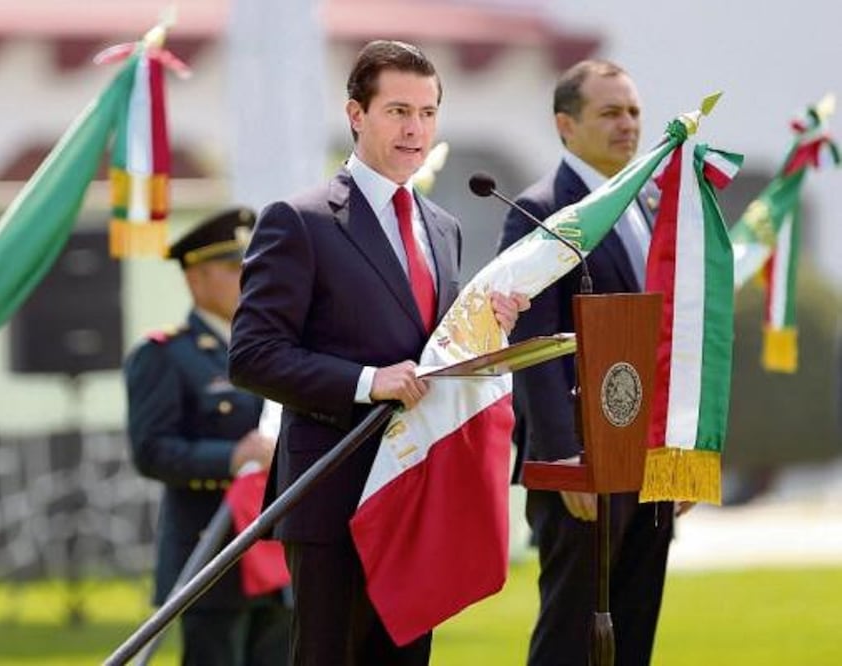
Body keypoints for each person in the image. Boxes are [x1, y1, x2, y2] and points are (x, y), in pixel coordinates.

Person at [229, 40, 528, 666]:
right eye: (397, 110)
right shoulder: (298, 220)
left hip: (418, 492)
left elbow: (433, 351)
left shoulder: (441, 226)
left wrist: (486, 330)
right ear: (356, 115)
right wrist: (369, 381)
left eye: (427, 112)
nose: (415, 128)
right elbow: (253, 355)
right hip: (333, 492)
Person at [497, 59, 688, 666]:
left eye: (633, 111)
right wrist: (560, 454)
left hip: (649, 459)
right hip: (580, 462)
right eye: (610, 112)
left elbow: (668, 336)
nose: (628, 124)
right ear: (566, 125)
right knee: (571, 633)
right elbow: (533, 341)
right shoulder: (543, 210)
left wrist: (680, 448)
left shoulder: (649, 202)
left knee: (634, 628)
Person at [125, 208, 290, 666]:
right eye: (235, 269)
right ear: (196, 279)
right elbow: (151, 451)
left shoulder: (268, 349)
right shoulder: (165, 355)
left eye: (250, 267)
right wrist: (230, 458)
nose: (248, 278)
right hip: (211, 553)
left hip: (274, 551)